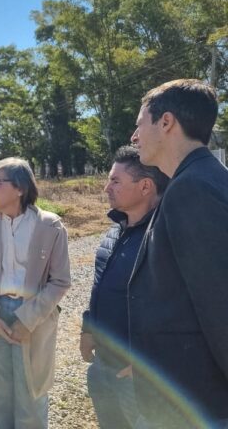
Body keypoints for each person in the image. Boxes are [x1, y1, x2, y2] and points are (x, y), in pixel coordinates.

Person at [127, 79, 228, 427]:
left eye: (140, 124)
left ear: (166, 122)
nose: (134, 136)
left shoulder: (192, 189)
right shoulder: (202, 178)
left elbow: (220, 303)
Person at [0, 157, 71, 429]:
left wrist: (28, 320)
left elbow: (60, 280)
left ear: (20, 188)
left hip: (32, 317)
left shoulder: (51, 226)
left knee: (31, 395)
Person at [80, 146, 168, 429]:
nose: (106, 188)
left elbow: (177, 307)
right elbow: (99, 287)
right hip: (103, 365)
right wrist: (87, 328)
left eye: (115, 181)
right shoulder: (113, 234)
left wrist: (149, 362)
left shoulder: (163, 238)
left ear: (145, 186)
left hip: (139, 374)